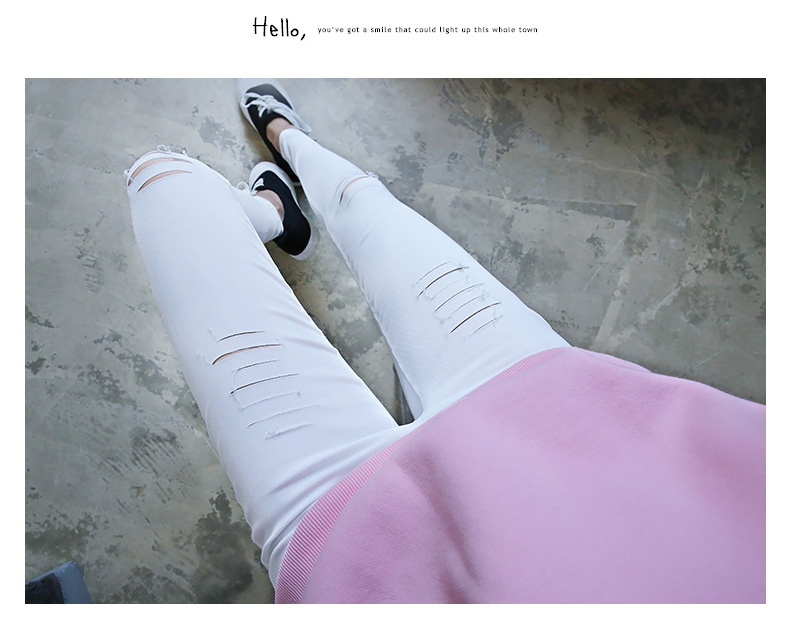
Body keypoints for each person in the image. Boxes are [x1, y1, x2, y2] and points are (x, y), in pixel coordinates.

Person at [125, 79, 765, 603]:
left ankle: (271, 209)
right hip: (562, 413)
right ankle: (287, 137)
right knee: (361, 200)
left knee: (161, 180)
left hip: (354, 544)